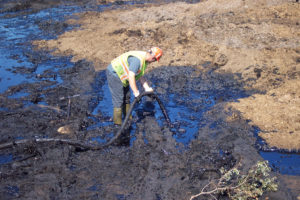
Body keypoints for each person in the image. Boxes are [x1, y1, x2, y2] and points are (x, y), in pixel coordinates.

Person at [106, 47, 163, 125]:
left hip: (122, 75)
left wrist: (147, 88)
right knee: (118, 100)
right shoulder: (137, 60)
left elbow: (139, 75)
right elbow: (131, 76)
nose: (154, 62)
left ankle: (128, 119)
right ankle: (118, 124)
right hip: (114, 73)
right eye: (155, 60)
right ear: (152, 56)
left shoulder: (144, 60)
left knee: (127, 98)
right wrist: (136, 93)